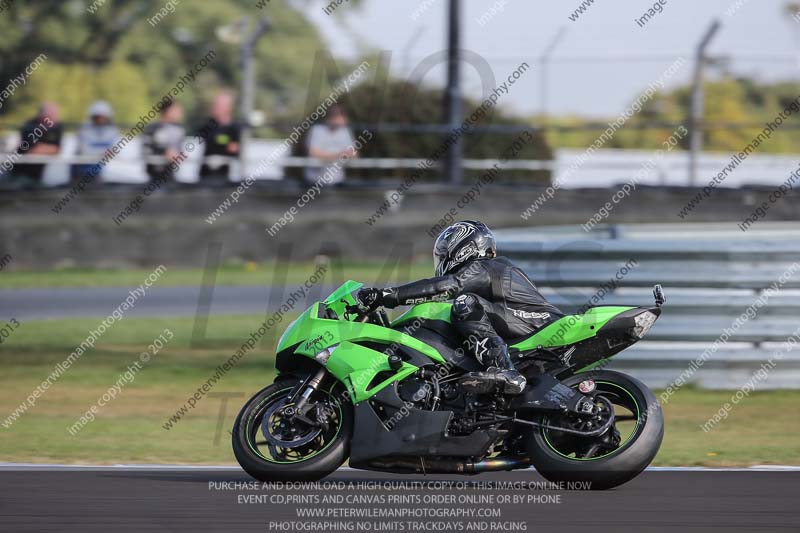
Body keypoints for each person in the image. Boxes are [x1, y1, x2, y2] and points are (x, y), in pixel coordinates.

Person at [357, 220, 564, 395]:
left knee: (465, 303)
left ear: (464, 248)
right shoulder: (489, 272)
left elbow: (447, 286)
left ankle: (506, 371)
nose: (442, 258)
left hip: (540, 321)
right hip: (525, 324)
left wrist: (389, 295)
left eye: (445, 252)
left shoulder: (485, 266)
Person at [304, 105, 357, 186]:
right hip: (314, 180)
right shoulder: (317, 129)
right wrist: (339, 155)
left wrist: (345, 155)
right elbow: (314, 152)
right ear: (330, 117)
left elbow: (353, 153)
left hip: (337, 181)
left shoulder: (345, 131)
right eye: (336, 116)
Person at [15, 102, 63, 186]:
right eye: (52, 115)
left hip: (40, 176)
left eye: (56, 114)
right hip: (21, 173)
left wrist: (43, 148)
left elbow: (57, 150)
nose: (55, 117)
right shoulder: (30, 125)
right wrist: (50, 149)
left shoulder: (57, 127)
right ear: (42, 115)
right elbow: (31, 151)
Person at [198, 91, 241, 184]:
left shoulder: (235, 128)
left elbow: (234, 149)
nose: (215, 107)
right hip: (205, 176)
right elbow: (209, 141)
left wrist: (223, 142)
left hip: (226, 177)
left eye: (218, 105)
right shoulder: (207, 126)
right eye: (214, 104)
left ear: (229, 108)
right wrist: (225, 142)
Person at [74, 100, 121, 183]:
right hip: (81, 170)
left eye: (103, 117)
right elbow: (84, 151)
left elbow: (115, 151)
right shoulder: (84, 129)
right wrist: (104, 152)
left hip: (100, 172)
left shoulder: (112, 130)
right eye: (98, 117)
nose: (100, 120)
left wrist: (105, 153)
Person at [143, 98, 185, 183]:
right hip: (155, 174)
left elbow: (178, 151)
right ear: (168, 110)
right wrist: (165, 151)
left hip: (170, 173)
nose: (180, 112)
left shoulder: (179, 128)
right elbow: (148, 149)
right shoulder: (153, 128)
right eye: (177, 109)